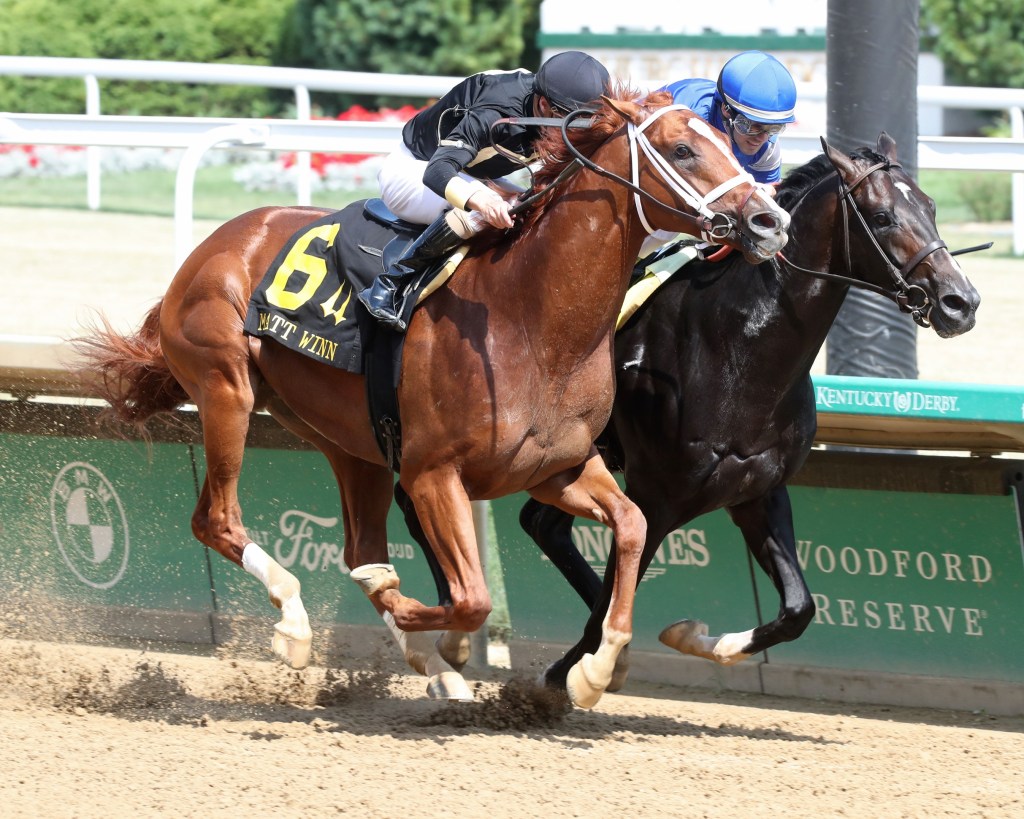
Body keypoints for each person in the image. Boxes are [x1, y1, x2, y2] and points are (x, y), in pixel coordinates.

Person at [358, 50, 611, 332]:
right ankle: (390, 284)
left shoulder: (552, 103)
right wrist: (482, 201)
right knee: (480, 213)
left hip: (470, 173)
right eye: (571, 121)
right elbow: (437, 171)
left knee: (535, 206)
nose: (577, 132)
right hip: (416, 168)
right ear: (542, 104)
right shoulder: (496, 110)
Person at [660, 50, 797, 185]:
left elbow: (768, 193)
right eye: (753, 127)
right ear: (726, 110)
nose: (762, 138)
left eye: (774, 128)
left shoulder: (768, 146)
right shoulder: (687, 124)